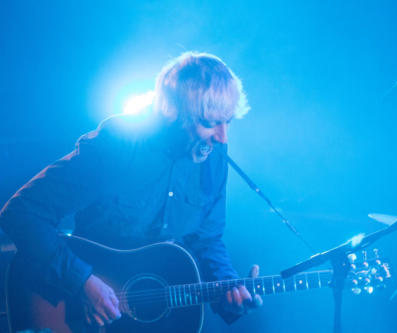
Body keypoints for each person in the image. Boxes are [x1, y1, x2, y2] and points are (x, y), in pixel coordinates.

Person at [0, 52, 262, 328]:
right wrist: (82, 281)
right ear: (173, 113)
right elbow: (22, 212)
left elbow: (207, 239)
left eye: (228, 121)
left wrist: (228, 286)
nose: (223, 136)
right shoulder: (119, 143)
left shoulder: (214, 153)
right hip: (72, 308)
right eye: (210, 123)